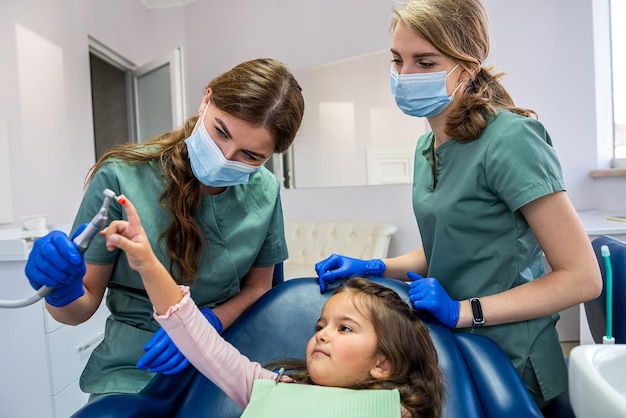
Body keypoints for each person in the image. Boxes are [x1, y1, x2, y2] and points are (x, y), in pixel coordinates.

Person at [315, 0, 602, 411]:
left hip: (514, 361)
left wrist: (464, 310)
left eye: (425, 62)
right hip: (452, 349)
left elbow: (581, 278)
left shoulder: (511, 139)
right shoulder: (426, 147)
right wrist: (377, 267)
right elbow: (450, 250)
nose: (405, 75)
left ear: (467, 69)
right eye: (398, 60)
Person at [24, 58, 305, 399]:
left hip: (225, 357)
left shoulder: (267, 191)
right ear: (206, 100)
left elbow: (261, 288)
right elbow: (78, 310)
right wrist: (61, 290)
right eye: (220, 131)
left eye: (249, 155)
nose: (224, 156)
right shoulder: (121, 175)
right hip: (136, 364)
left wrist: (205, 324)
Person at [100, 195, 444, 418]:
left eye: (345, 328)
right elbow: (200, 342)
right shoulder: (269, 386)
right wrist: (146, 262)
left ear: (383, 364)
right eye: (320, 327)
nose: (322, 335)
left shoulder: (396, 413)